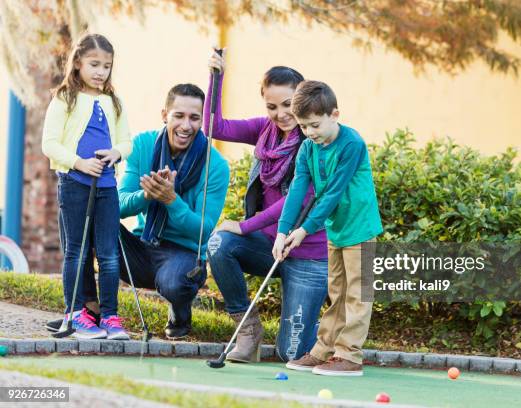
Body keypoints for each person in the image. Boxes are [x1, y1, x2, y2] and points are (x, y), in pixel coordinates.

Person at [205, 49, 328, 363]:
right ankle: (248, 330)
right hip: (269, 246)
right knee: (220, 242)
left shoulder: (315, 139)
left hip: (306, 254)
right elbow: (214, 127)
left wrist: (246, 225)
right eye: (272, 106)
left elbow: (297, 200)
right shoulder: (265, 131)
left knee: (292, 353)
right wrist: (215, 79)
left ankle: (331, 334)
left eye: (288, 105)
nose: (281, 113)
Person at [274, 80, 383, 376]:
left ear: (334, 114)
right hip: (336, 230)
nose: (310, 133)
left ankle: (350, 356)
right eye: (304, 127)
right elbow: (298, 189)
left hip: (359, 227)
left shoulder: (352, 144)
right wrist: (283, 231)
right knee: (337, 292)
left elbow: (333, 192)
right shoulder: (308, 149)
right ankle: (324, 350)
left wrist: (305, 230)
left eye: (315, 125)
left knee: (357, 294)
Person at [118, 83, 230, 339]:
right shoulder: (142, 145)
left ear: (203, 121)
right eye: (178, 115)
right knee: (92, 221)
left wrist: (172, 200)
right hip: (141, 245)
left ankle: (180, 312)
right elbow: (118, 206)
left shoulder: (216, 165)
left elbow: (203, 230)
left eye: (194, 118)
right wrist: (146, 196)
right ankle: (91, 311)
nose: (186, 125)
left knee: (175, 283)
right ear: (164, 115)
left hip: (183, 253)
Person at [42, 33, 132, 339]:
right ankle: (77, 313)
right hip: (75, 183)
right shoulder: (64, 98)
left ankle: (109, 316)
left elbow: (125, 140)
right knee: (77, 252)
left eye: (106, 66)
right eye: (94, 64)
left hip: (107, 186)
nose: (100, 71)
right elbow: (49, 143)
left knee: (108, 254)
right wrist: (79, 162)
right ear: (77, 62)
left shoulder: (114, 102)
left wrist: (116, 153)